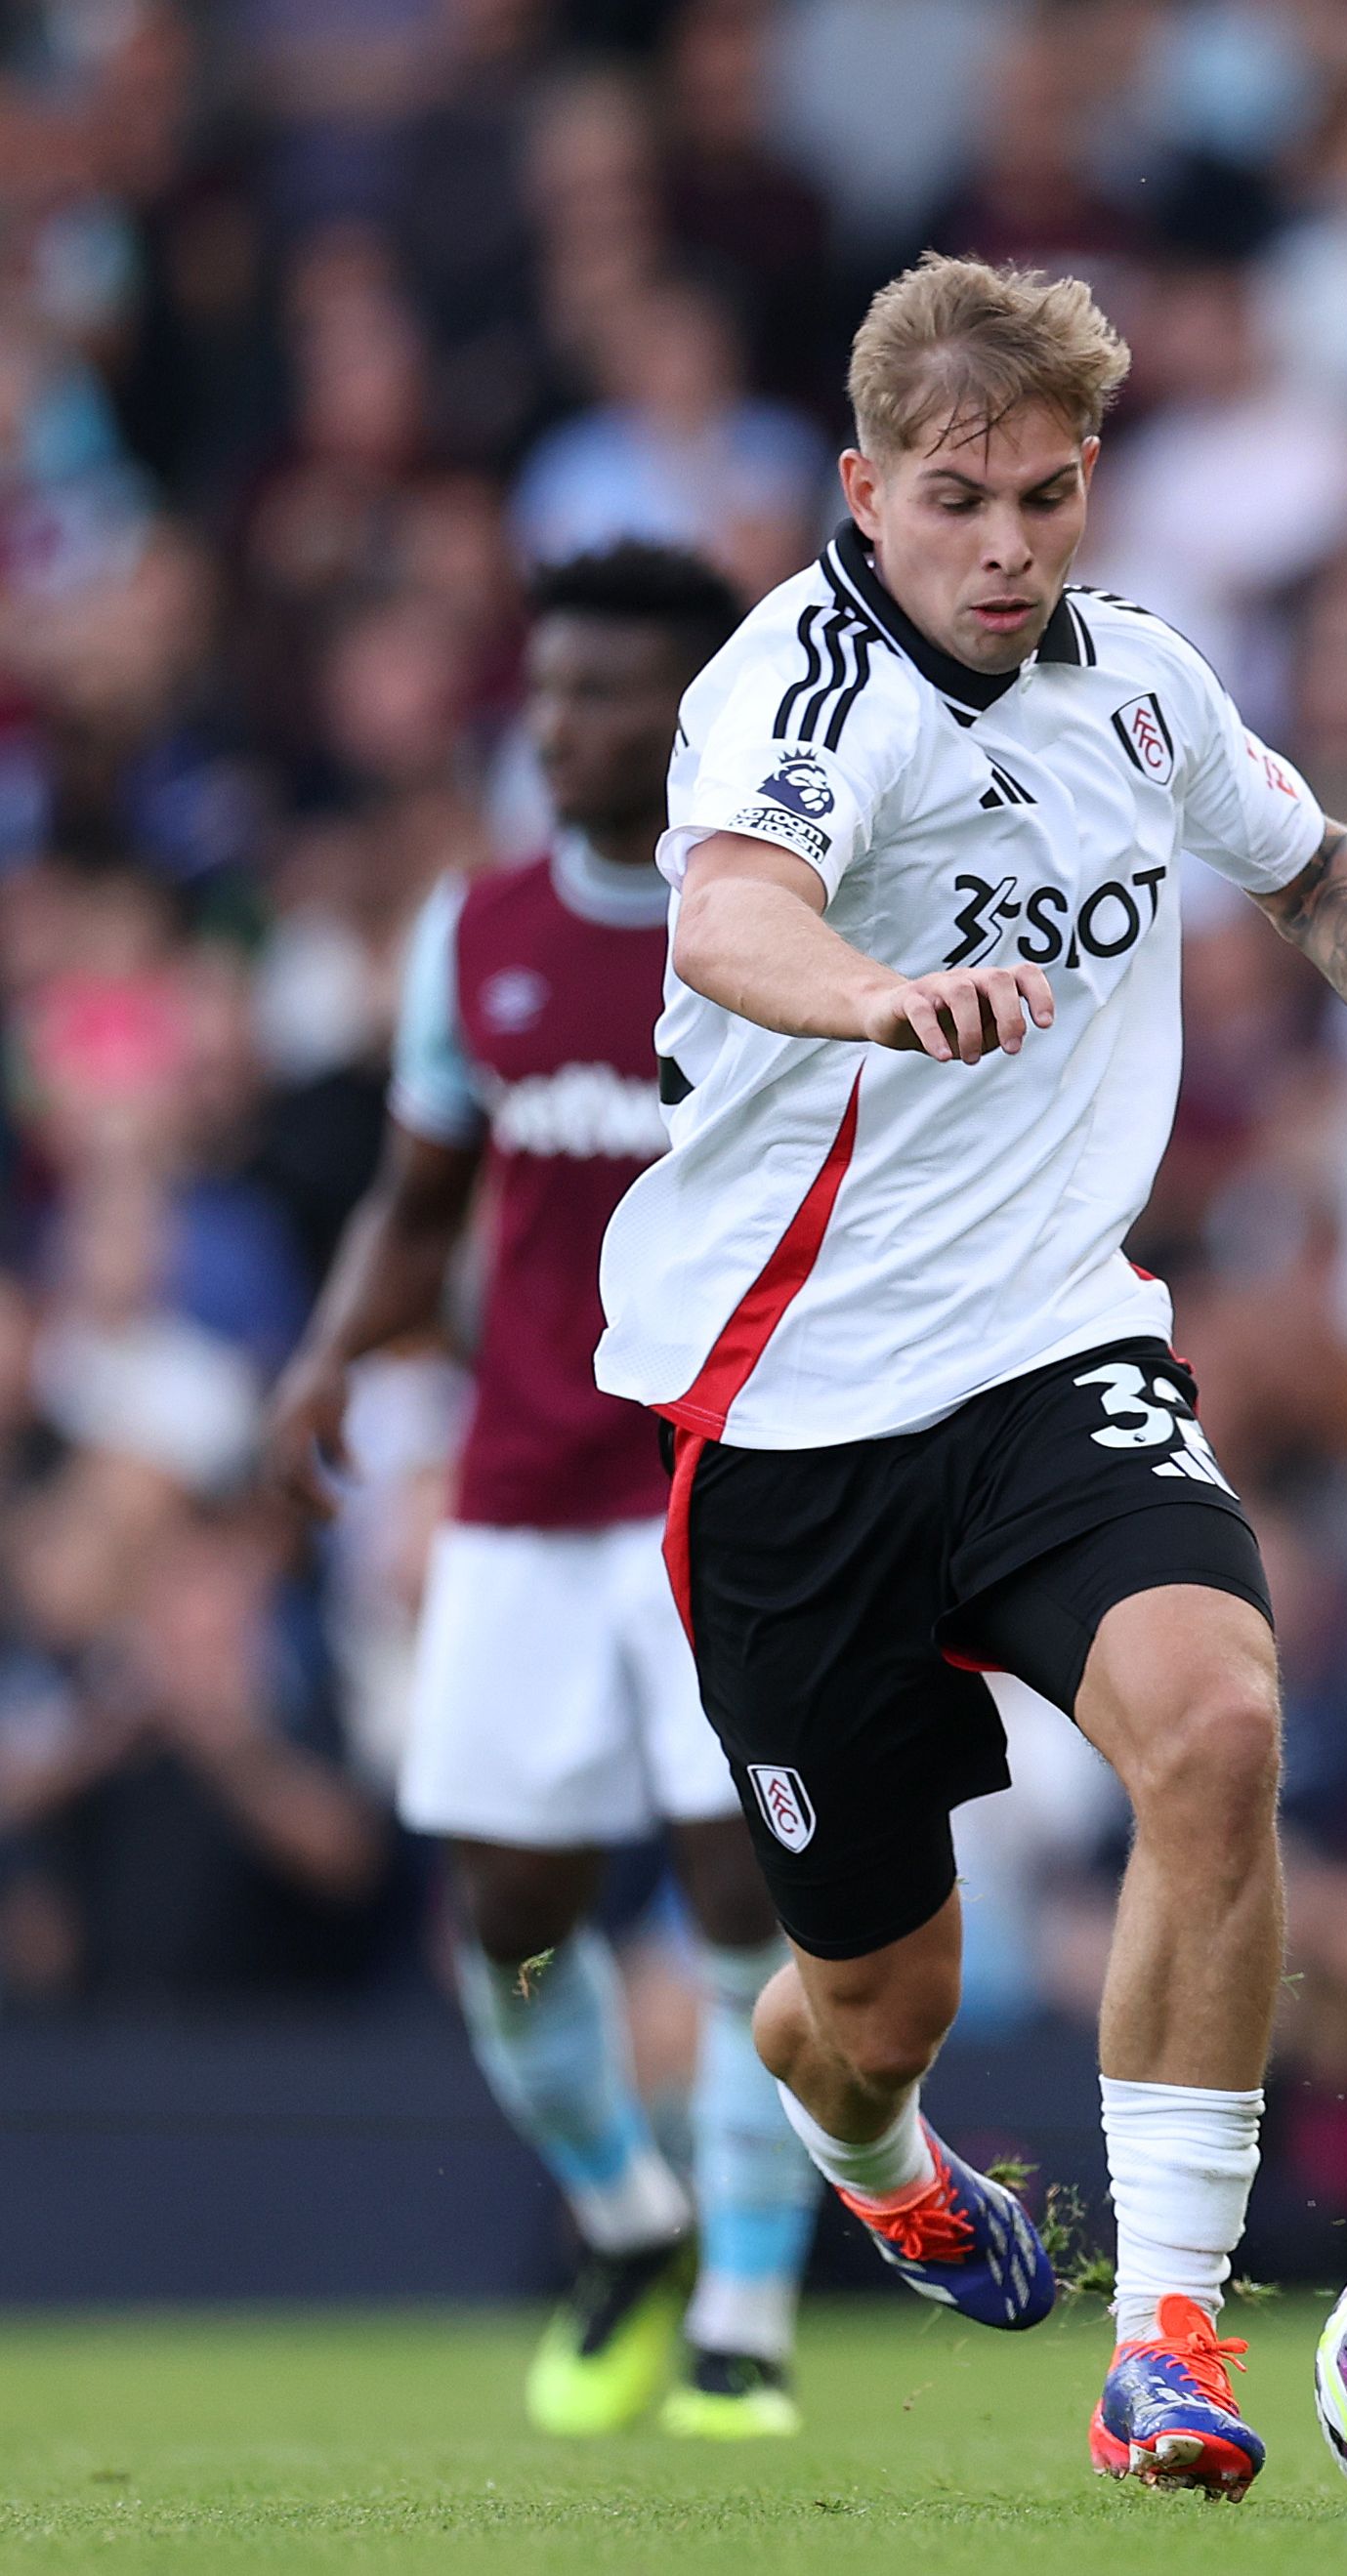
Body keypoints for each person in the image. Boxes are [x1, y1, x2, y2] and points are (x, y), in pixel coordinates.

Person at [600, 255, 1347, 2497]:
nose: (1008, 545)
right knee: (877, 2011)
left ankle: (1167, 2333)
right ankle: (868, 2151)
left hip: (1053, 1342)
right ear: (867, 489)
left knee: (1220, 1724)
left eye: (1046, 496)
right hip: (787, 1406)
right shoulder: (798, 683)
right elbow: (725, 911)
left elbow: (1311, 856)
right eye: (957, 499)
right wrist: (874, 993)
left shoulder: (1138, 685)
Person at [260, 542, 823, 2441]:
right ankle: (626, 2212)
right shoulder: (474, 928)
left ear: (697, 720)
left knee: (745, 1886)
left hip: (725, 1489)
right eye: (553, 688)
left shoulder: (779, 931)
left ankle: (746, 2304)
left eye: (610, 693)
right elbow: (421, 1200)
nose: (564, 724)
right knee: (508, 1909)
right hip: (517, 1494)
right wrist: (337, 1346)